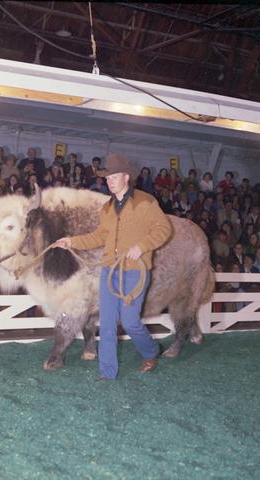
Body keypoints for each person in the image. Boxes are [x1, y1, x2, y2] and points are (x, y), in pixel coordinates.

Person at [55, 154, 172, 380]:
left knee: (129, 321)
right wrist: (71, 241)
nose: (109, 180)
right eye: (107, 177)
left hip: (135, 272)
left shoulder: (145, 202)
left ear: (127, 177)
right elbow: (99, 236)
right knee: (107, 323)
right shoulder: (107, 208)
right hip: (110, 271)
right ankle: (107, 372)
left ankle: (150, 351)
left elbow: (163, 229)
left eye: (114, 176)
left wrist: (142, 246)